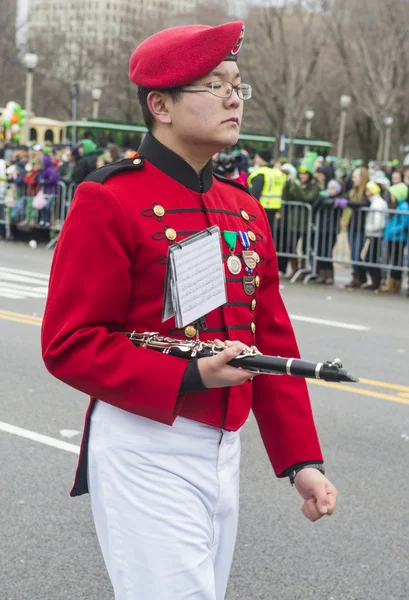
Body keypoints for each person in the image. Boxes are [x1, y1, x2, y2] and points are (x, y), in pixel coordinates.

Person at [41, 21, 337, 600]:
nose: (233, 98)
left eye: (237, 85)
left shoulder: (244, 209)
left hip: (226, 449)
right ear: (160, 104)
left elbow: (271, 342)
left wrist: (300, 458)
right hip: (145, 441)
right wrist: (190, 372)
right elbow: (69, 342)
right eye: (214, 85)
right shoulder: (110, 198)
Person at [312, 179, 346, 285]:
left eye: (333, 188)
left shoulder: (339, 200)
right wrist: (322, 199)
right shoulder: (324, 198)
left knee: (327, 252)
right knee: (320, 251)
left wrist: (330, 201)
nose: (330, 190)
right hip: (322, 228)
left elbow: (334, 205)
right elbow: (315, 206)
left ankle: (329, 274)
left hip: (331, 229)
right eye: (329, 188)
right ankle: (321, 274)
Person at [248, 149, 286, 234]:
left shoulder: (261, 173)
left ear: (262, 159)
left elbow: (254, 193)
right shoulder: (277, 172)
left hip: (261, 206)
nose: (255, 159)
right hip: (275, 206)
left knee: (259, 232)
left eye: (257, 157)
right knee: (269, 231)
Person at [380, 182, 409, 293]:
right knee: (394, 260)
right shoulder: (398, 206)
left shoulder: (404, 206)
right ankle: (393, 283)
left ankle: (394, 283)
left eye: (393, 195)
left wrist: (392, 231)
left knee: (397, 261)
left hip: (398, 238)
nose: (391, 197)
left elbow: (405, 223)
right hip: (393, 237)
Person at [361, 181, 388, 291]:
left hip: (376, 235)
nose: (366, 192)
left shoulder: (378, 203)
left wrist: (368, 229)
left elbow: (378, 223)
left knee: (370, 259)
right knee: (370, 258)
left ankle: (376, 281)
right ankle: (375, 280)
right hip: (374, 234)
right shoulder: (375, 202)